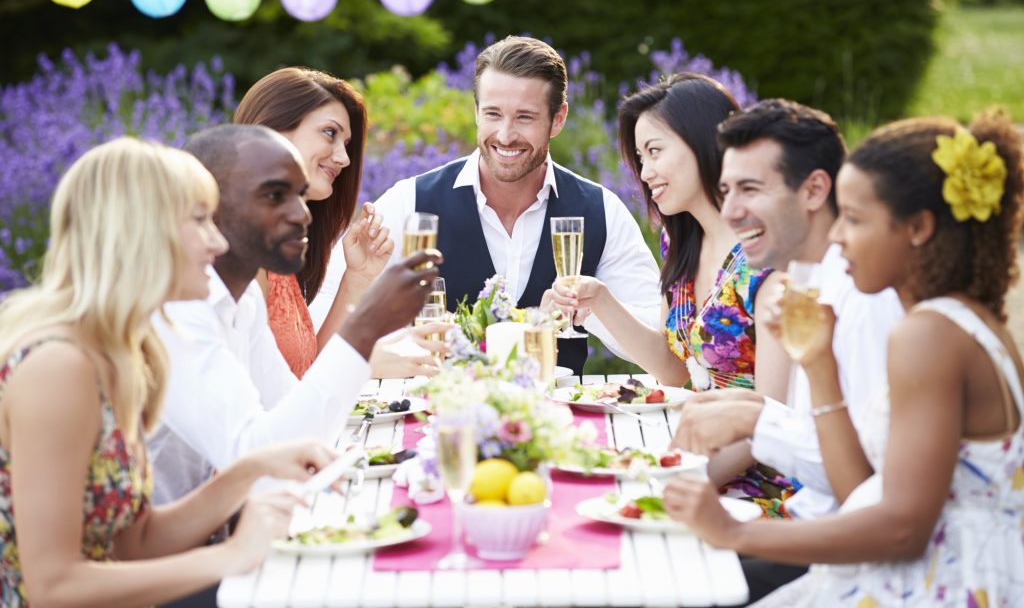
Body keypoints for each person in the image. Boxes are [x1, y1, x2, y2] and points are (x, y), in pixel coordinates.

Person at [665, 110, 1024, 607]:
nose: (835, 236)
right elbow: (864, 492)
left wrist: (732, 532)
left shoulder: (928, 335)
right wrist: (817, 365)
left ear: (917, 227)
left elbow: (902, 530)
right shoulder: (958, 321)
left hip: (946, 587)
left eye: (854, 219)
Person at [0, 138, 341, 606]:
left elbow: (134, 543)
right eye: (200, 221)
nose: (218, 242)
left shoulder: (123, 352)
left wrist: (252, 470)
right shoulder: (58, 365)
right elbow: (53, 587)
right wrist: (232, 555)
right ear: (142, 230)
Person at [312, 35, 661, 375]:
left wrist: (594, 308)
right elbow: (323, 320)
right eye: (493, 114)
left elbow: (658, 341)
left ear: (558, 119)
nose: (506, 135)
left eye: (524, 117)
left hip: (561, 425)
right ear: (476, 112)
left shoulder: (601, 210)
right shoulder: (410, 202)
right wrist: (397, 348)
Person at [669, 99, 904, 598]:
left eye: (750, 189)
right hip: (805, 533)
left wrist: (757, 419)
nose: (730, 212)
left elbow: (866, 484)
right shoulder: (803, 276)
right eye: (727, 190)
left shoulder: (862, 297)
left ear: (815, 189)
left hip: (841, 562)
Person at [148, 124, 440, 505]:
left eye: (300, 195)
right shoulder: (178, 311)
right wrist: (364, 326)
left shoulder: (245, 297)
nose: (302, 214)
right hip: (167, 554)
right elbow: (258, 462)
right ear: (208, 208)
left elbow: (292, 425)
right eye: (274, 196)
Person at [546, 75, 795, 517]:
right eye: (640, 159)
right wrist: (601, 302)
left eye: (655, 152)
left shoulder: (766, 260)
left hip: (758, 487)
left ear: (706, 142)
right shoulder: (681, 246)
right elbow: (673, 370)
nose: (645, 174)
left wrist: (672, 481)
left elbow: (772, 422)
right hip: (695, 459)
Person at [234, 68, 441, 378]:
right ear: (272, 130)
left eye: (346, 143)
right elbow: (265, 397)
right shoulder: (240, 251)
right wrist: (362, 365)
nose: (344, 158)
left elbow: (304, 368)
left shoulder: (275, 250)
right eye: (330, 133)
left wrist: (357, 277)